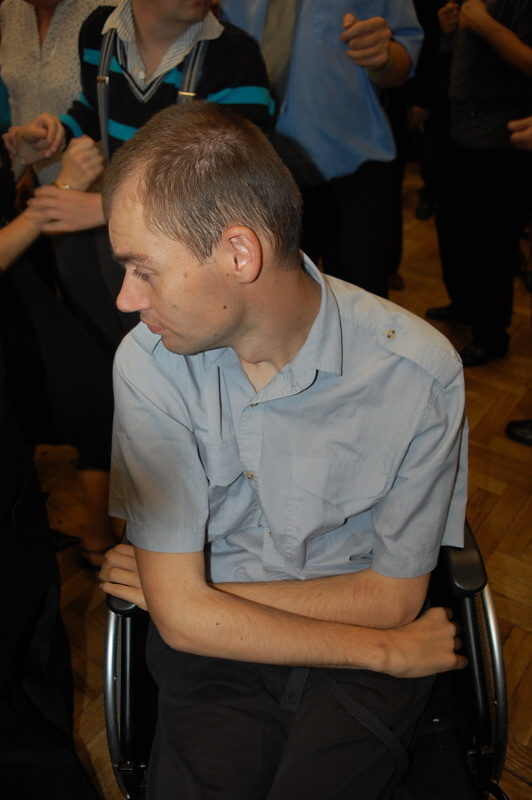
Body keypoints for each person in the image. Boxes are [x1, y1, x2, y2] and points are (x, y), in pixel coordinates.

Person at [99, 101, 468, 800]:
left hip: (320, 651)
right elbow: (186, 622)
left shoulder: (418, 374)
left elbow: (393, 598)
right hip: (233, 657)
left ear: (239, 253)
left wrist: (193, 596)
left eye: (143, 269)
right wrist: (386, 651)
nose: (124, 299)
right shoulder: (149, 364)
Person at [8, 0, 274, 341]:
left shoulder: (235, 55)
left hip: (191, 252)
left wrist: (104, 208)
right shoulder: (98, 33)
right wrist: (61, 130)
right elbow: (95, 103)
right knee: (116, 327)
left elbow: (232, 179)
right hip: (123, 229)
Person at [219, 1, 423, 298]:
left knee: (359, 303)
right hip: (257, 176)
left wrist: (384, 59)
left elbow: (403, 60)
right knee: (271, 304)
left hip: (352, 165)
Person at [0, 128, 119, 568]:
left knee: (86, 398)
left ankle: (66, 532)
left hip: (18, 283)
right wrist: (63, 191)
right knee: (93, 395)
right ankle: (92, 541)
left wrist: (16, 163)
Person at [426, 0, 532, 366]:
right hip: (462, 131)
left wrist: (484, 24)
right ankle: (465, 306)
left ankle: (491, 335)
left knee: (490, 242)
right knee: (452, 225)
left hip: (503, 137)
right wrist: (451, 28)